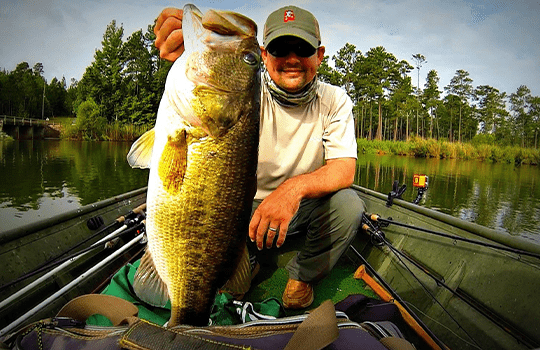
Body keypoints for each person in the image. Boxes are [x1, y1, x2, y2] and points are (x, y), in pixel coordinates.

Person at [154, 5, 366, 309]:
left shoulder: (334, 100)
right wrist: (185, 48)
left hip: (301, 210)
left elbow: (344, 170)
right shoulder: (245, 91)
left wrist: (290, 191)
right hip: (239, 213)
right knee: (218, 264)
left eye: (302, 48)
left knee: (349, 205)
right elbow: (200, 91)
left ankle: (302, 278)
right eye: (280, 48)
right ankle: (242, 268)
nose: (292, 59)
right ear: (265, 55)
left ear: (319, 55)